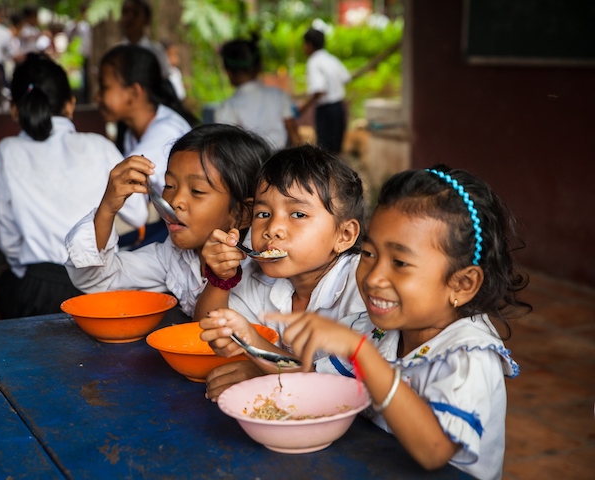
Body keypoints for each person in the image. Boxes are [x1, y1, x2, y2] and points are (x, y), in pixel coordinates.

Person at [265, 167, 530, 479]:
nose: (374, 277)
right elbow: (316, 382)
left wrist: (363, 355)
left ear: (461, 284)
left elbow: (434, 451)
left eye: (400, 263)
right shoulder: (376, 330)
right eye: (368, 253)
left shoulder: (469, 358)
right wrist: (250, 350)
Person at [196, 144, 368, 399]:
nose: (273, 228)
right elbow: (206, 330)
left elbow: (346, 384)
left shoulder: (363, 287)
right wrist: (220, 279)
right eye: (263, 213)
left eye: (297, 214)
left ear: (344, 235)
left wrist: (263, 366)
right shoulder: (257, 275)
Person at [0, 53, 143, 319]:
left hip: (39, 284)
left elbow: (9, 240)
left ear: (14, 108)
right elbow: (138, 214)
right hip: (100, 285)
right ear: (70, 105)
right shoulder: (100, 145)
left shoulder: (6, 151)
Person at [65, 124, 272, 317]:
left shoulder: (262, 269)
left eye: (197, 191)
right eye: (170, 185)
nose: (175, 201)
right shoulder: (174, 257)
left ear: (242, 213)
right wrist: (108, 208)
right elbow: (97, 279)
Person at [98, 44, 197, 248]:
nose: (97, 96)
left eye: (104, 87)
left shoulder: (164, 134)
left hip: (191, 229)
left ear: (134, 92)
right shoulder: (133, 132)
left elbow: (135, 211)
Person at [215, 37, 300, 150]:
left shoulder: (227, 107)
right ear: (259, 66)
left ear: (228, 72)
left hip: (247, 166)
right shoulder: (280, 96)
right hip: (279, 162)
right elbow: (294, 135)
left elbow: (225, 149)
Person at [299, 28, 351, 153]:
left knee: (325, 150)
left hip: (326, 111)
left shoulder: (314, 62)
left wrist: (303, 107)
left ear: (309, 44)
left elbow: (319, 90)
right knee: (336, 149)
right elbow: (346, 77)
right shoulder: (331, 59)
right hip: (338, 108)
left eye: (304, 44)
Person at [118, 0, 170, 79]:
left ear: (147, 19)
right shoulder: (117, 52)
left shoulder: (155, 52)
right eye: (125, 12)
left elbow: (164, 80)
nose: (130, 17)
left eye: (136, 13)